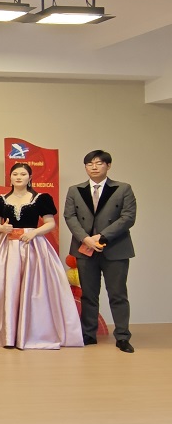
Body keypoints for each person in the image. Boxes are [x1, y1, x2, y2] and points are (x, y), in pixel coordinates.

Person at [0, 163, 83, 350]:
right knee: (5, 285)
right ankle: (6, 332)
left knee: (35, 286)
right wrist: (2, 228)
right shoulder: (0, 200)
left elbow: (50, 223)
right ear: (10, 177)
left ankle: (33, 331)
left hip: (33, 246)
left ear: (30, 177)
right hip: (7, 246)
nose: (18, 177)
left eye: (22, 174)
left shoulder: (41, 198)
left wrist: (34, 233)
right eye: (15, 174)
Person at [63, 150, 137, 353]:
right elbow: (70, 217)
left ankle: (122, 337)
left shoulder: (122, 188)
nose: (94, 167)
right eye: (90, 164)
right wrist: (86, 238)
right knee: (88, 294)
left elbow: (128, 217)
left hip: (115, 249)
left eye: (99, 163)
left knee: (118, 294)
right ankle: (88, 334)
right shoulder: (75, 190)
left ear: (108, 166)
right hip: (85, 248)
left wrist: (102, 237)